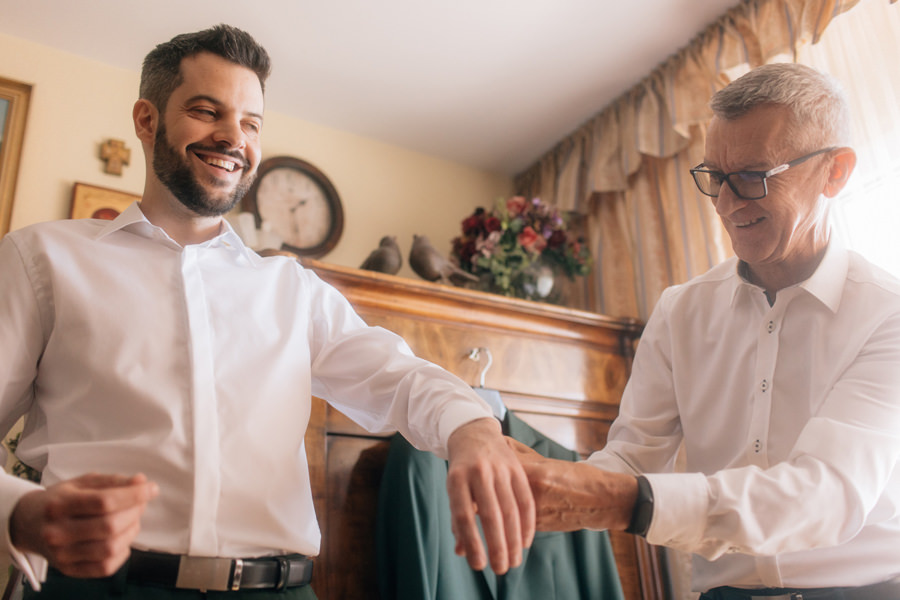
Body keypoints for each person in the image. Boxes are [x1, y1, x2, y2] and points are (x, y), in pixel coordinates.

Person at [0, 24, 534, 599]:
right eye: (208, 112)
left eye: (251, 123)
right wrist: (19, 514)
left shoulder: (294, 290)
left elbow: (400, 380)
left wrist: (475, 428)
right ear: (147, 120)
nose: (234, 137)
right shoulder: (40, 260)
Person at [509, 62, 900, 598]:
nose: (727, 202)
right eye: (715, 176)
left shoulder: (890, 316)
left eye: (753, 176)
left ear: (834, 171)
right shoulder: (679, 312)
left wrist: (628, 501)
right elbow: (631, 458)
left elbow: (827, 493)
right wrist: (546, 483)